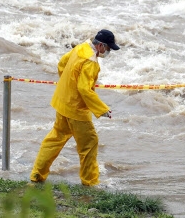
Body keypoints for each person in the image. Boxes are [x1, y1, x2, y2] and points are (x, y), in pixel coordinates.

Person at [30, 29, 120, 186]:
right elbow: (84, 89)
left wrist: (68, 86)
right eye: (108, 48)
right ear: (101, 46)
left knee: (54, 139)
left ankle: (37, 174)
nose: (108, 52)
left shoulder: (80, 48)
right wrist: (102, 109)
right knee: (89, 143)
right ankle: (90, 182)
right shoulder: (91, 62)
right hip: (76, 110)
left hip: (62, 102)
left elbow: (62, 64)